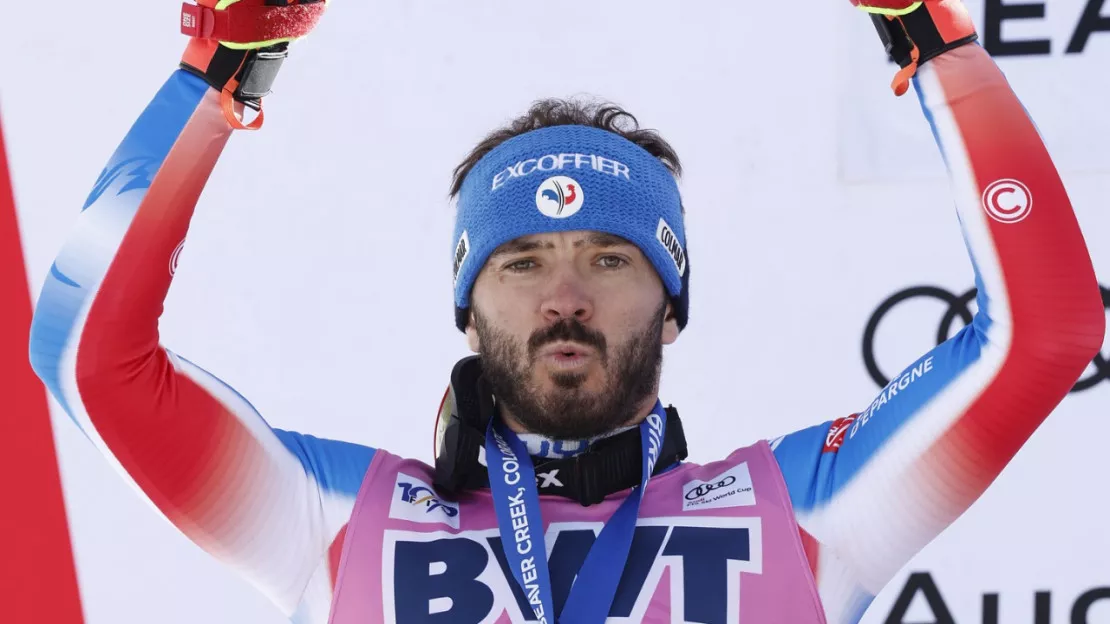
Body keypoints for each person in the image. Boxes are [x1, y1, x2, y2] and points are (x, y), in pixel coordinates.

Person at [27, 0, 1105, 622]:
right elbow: (86, 359)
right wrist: (221, 73)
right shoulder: (339, 519)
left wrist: (933, 44)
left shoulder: (803, 513)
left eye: (610, 257)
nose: (566, 296)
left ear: (673, 303)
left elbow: (1043, 333)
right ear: (465, 306)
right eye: (521, 262)